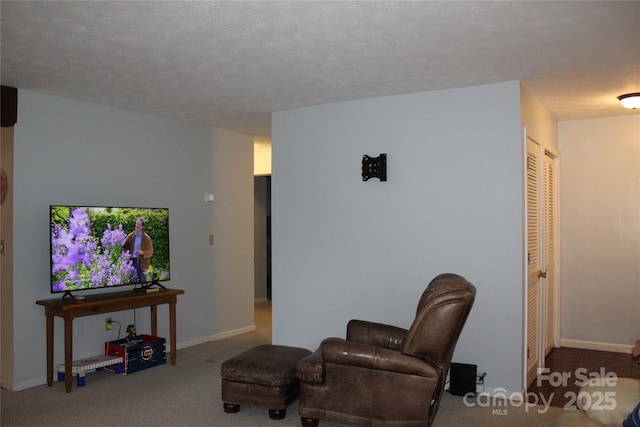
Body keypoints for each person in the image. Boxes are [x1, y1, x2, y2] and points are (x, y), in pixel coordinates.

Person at [123, 217, 153, 284]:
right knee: (132, 282)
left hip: (141, 263)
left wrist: (142, 252)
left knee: (143, 282)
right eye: (136, 224)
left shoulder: (146, 238)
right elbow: (124, 246)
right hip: (132, 261)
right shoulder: (131, 236)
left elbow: (150, 252)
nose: (137, 226)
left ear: (142, 227)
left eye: (139, 224)